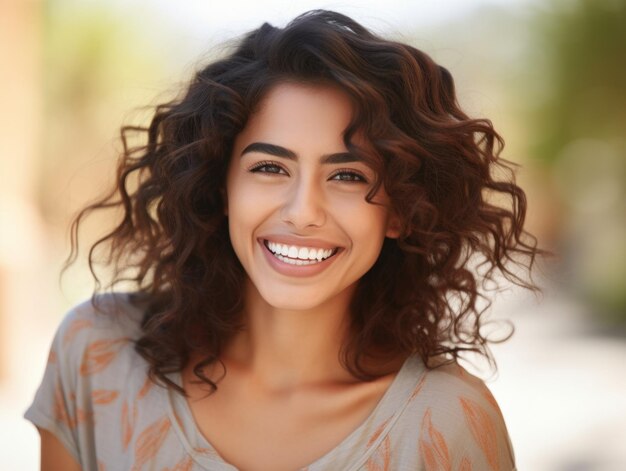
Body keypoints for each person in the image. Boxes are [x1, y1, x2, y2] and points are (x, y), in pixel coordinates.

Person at [26, 10, 541, 471]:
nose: (302, 212)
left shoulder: (447, 424)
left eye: (348, 176)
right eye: (270, 167)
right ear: (220, 186)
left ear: (400, 212)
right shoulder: (97, 356)